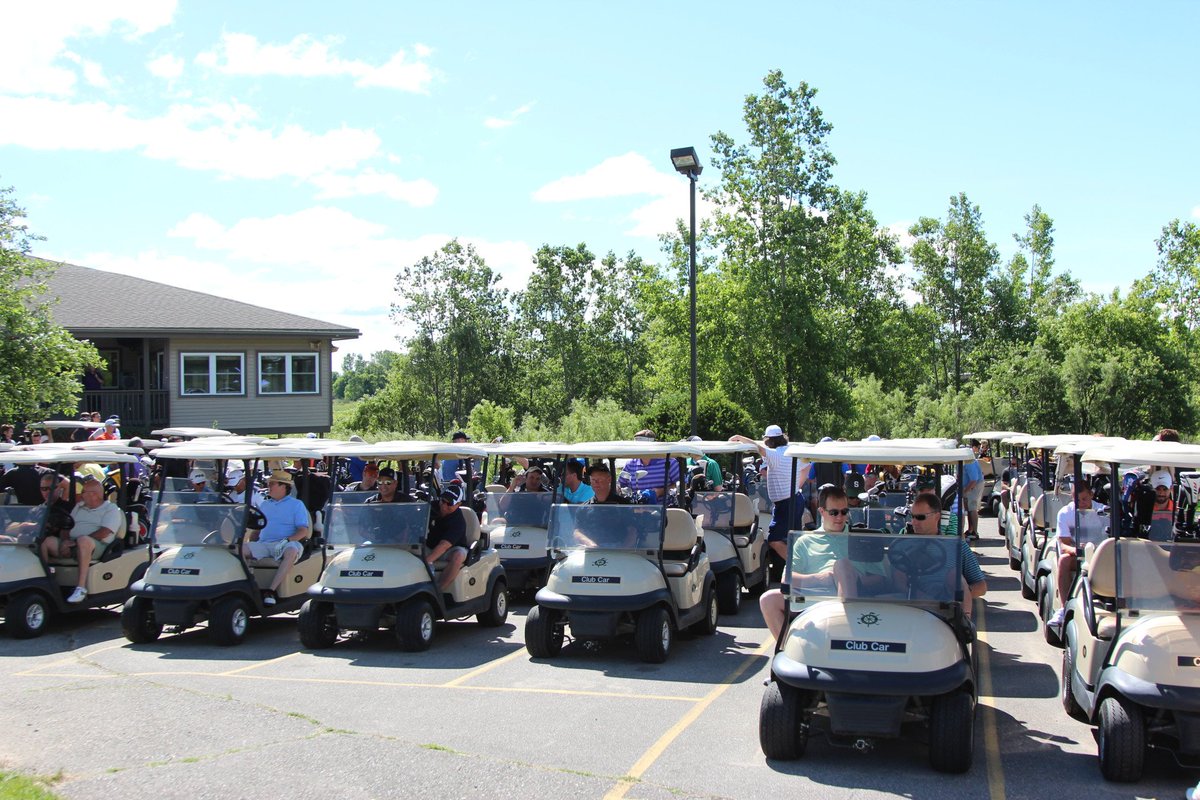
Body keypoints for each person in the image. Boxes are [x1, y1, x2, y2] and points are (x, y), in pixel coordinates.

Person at [758, 486, 889, 639]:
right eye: (834, 512)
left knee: (842, 566)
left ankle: (847, 634)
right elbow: (787, 579)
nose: (840, 517)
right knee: (768, 600)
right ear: (821, 511)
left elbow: (880, 578)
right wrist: (823, 579)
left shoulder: (860, 538)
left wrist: (852, 579)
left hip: (856, 595)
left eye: (844, 512)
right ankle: (788, 648)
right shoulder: (805, 541)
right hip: (815, 597)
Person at [730, 425, 809, 563]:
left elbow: (758, 448)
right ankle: (797, 565)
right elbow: (807, 466)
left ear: (769, 440)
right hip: (795, 498)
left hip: (786, 503)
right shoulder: (790, 451)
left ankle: (797, 565)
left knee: (774, 539)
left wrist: (739, 437)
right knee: (794, 538)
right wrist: (797, 486)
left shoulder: (775, 454)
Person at [40, 477, 123, 603]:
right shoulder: (79, 506)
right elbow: (67, 526)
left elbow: (104, 532)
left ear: (93, 494)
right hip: (73, 543)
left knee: (84, 541)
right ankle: (46, 581)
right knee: (45, 541)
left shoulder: (111, 509)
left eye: (83, 491)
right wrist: (65, 541)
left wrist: (75, 542)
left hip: (96, 545)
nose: (81, 494)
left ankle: (81, 588)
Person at [900, 493, 987, 613]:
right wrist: (926, 599)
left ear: (937, 517)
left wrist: (954, 596)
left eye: (920, 517)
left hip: (947, 608)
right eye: (912, 517)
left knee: (956, 576)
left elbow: (981, 586)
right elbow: (897, 580)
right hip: (911, 605)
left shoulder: (956, 545)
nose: (914, 522)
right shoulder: (903, 545)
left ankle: (962, 622)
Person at [243, 470, 310, 606]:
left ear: (283, 486)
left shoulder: (296, 505)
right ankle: (250, 586)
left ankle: (271, 591)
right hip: (265, 544)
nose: (268, 486)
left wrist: (287, 540)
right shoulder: (265, 504)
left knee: (291, 551)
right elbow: (258, 530)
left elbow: (303, 531)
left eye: (272, 484)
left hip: (286, 543)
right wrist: (250, 542)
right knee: (238, 549)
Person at [1047, 481, 1106, 628]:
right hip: (1077, 555)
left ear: (1091, 495)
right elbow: (1063, 544)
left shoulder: (1103, 511)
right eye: (1077, 500)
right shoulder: (1065, 513)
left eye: (1084, 499)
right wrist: (1076, 550)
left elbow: (1109, 538)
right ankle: (1063, 608)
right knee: (1064, 560)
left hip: (1100, 555)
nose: (1081, 503)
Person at [426, 485, 468, 592]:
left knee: (458, 556)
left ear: (458, 504)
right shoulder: (431, 507)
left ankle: (438, 591)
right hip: (428, 546)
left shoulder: (458, 522)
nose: (444, 506)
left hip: (450, 550)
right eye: (442, 501)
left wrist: (427, 562)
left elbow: (444, 545)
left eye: (449, 503)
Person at [617, 430, 681, 500]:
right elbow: (620, 485)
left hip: (664, 506)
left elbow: (683, 485)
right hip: (635, 506)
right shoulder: (630, 464)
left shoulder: (670, 462)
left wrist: (660, 492)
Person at [961, 453, 985, 541]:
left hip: (974, 486)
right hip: (970, 485)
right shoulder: (967, 461)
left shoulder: (969, 462)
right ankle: (970, 530)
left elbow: (974, 480)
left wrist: (965, 491)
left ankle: (974, 532)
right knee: (969, 508)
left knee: (972, 508)